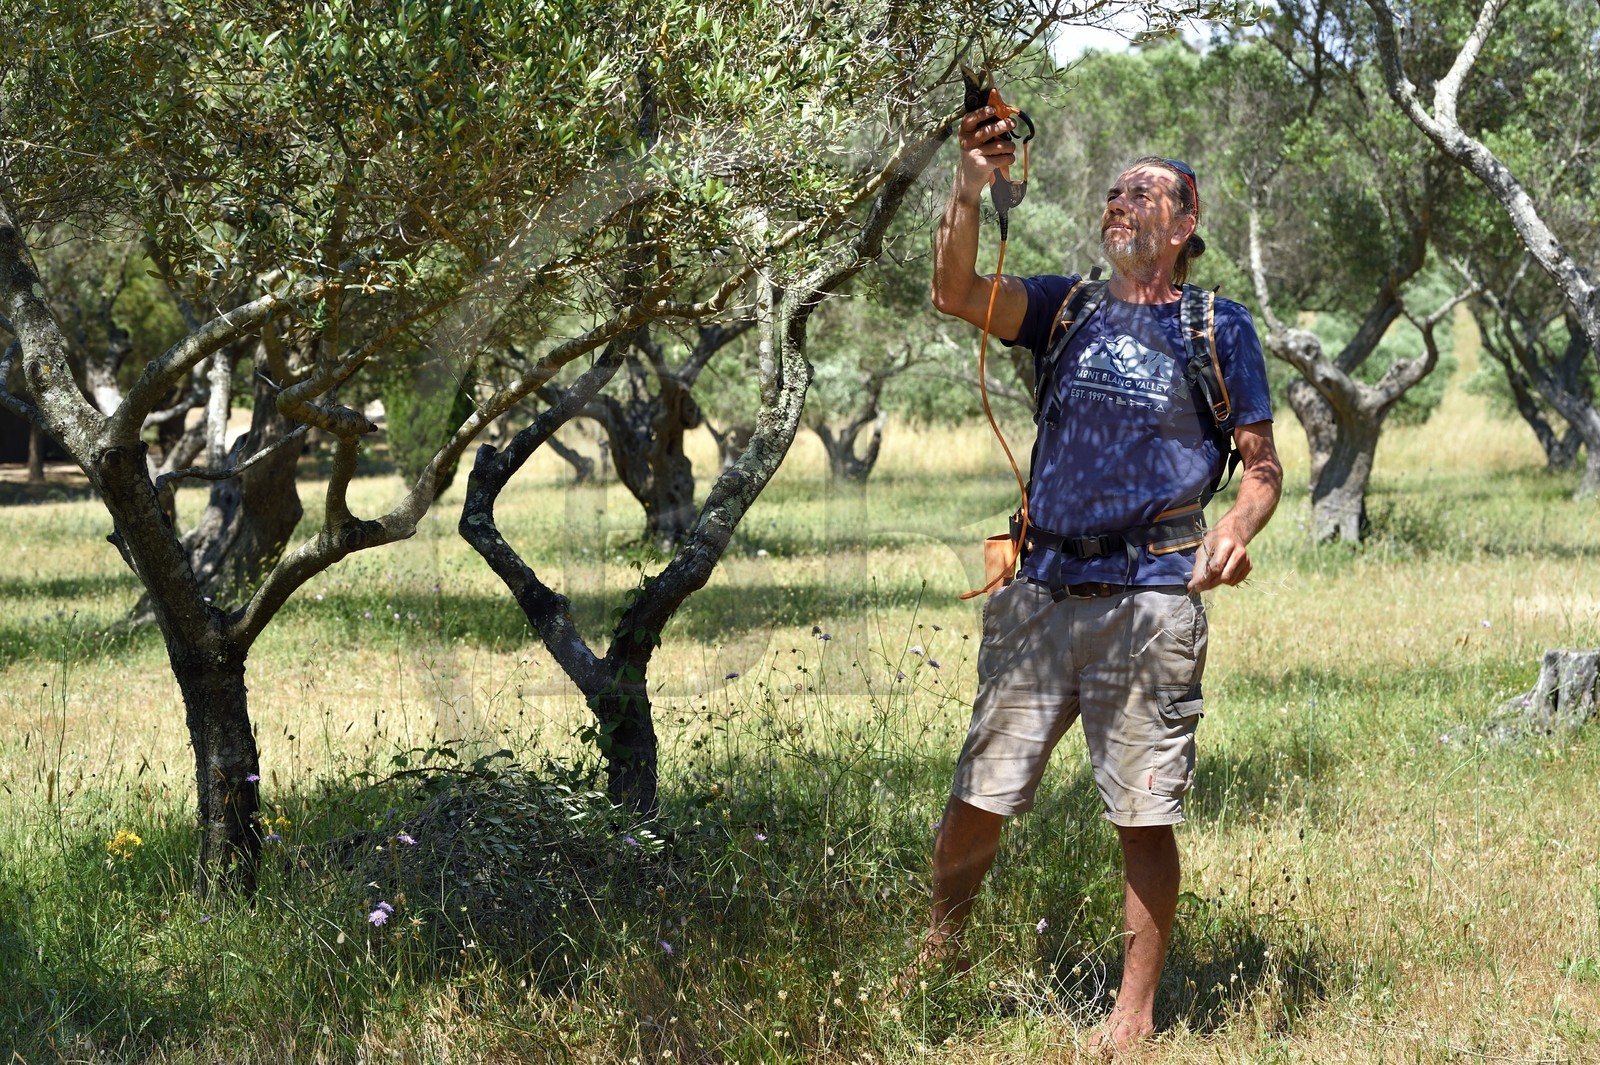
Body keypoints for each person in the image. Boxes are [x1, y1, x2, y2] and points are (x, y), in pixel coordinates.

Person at [915, 102, 1285, 1053]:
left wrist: (1238, 527)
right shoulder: (1064, 305)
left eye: (1146, 191)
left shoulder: (1217, 326)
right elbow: (954, 290)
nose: (1123, 200)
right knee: (978, 797)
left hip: (1153, 597)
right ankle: (940, 955)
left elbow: (1262, 465)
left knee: (1141, 814)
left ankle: (1133, 1018)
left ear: (1185, 224)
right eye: (1115, 189)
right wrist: (967, 183)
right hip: (1039, 591)